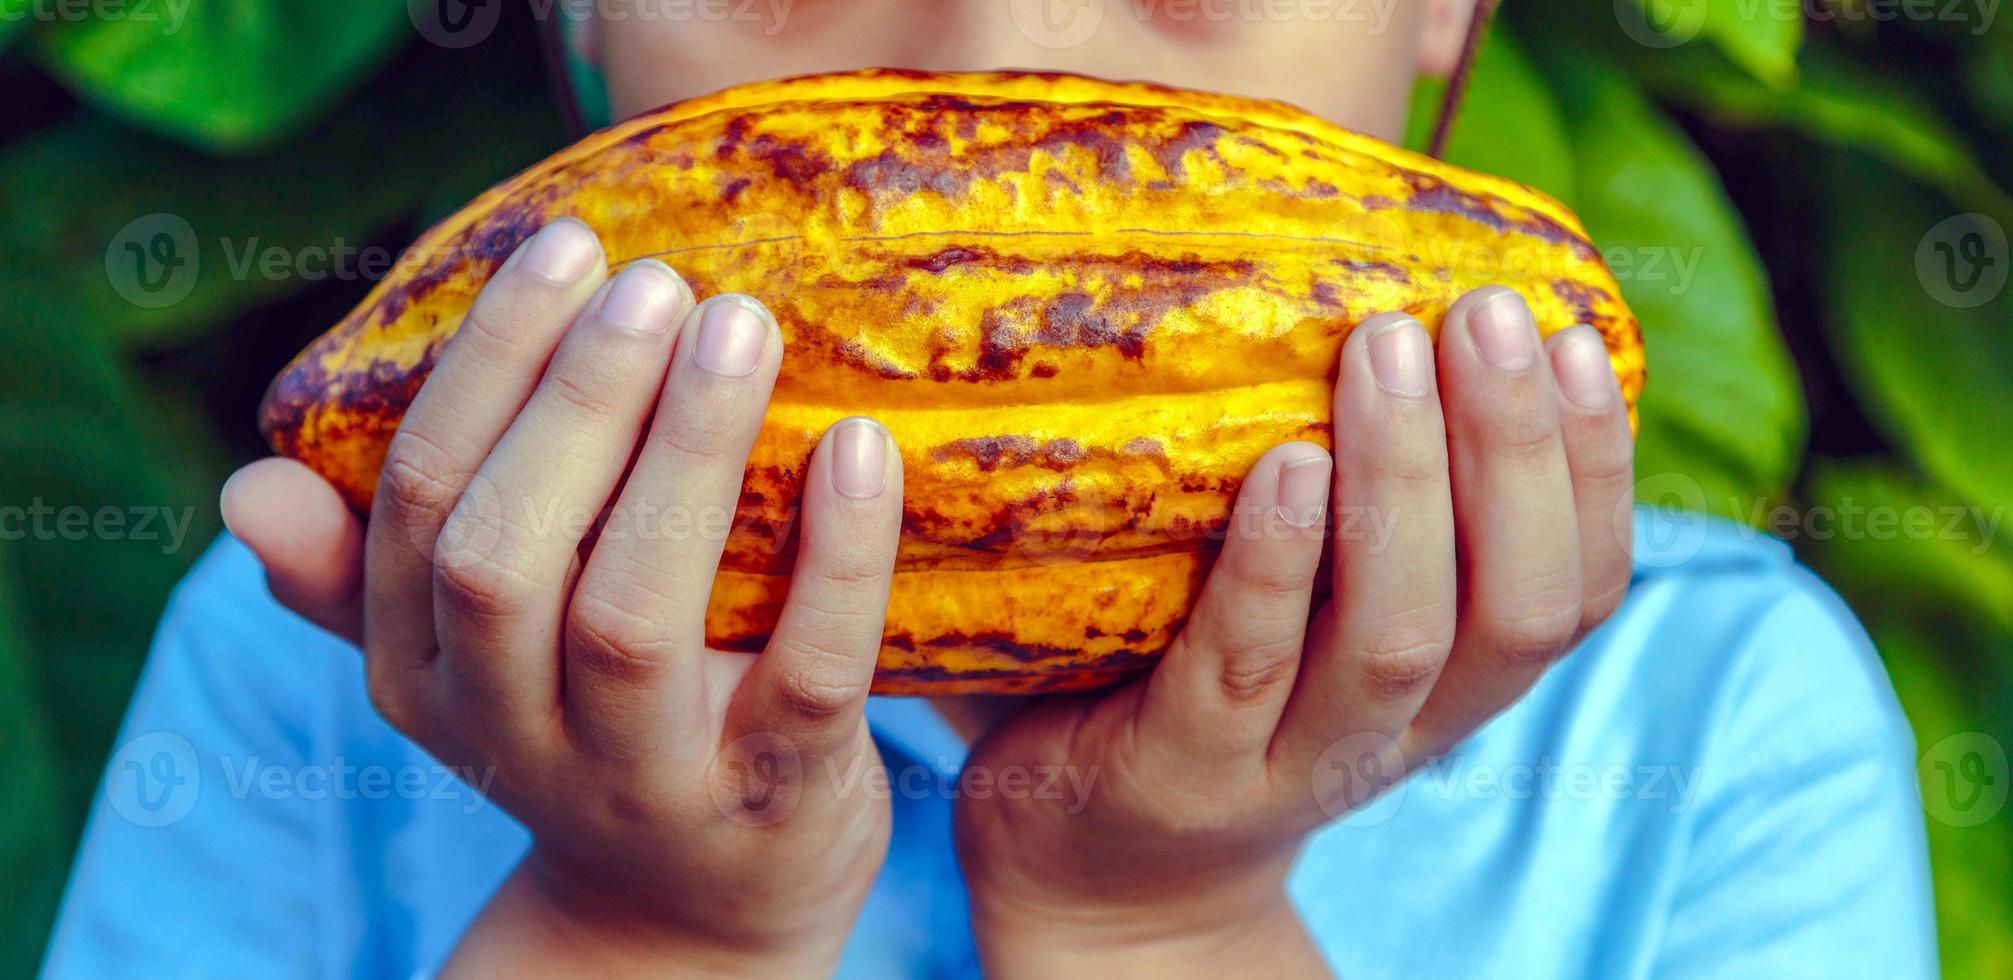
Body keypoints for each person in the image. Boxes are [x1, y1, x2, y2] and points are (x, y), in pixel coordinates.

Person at [45, 3, 1937, 977]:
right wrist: (644, 930)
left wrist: (1161, 926)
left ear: (1444, 10)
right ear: (576, 20)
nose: (995, 45)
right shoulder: (308, 668)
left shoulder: (1718, 721)